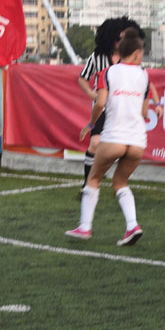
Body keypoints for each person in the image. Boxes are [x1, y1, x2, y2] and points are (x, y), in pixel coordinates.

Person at [66, 29, 153, 245]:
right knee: (121, 182)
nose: (142, 55)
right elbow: (144, 113)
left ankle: (85, 228)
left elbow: (101, 103)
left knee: (94, 179)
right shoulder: (144, 76)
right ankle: (132, 225)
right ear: (135, 53)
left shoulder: (109, 72)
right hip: (137, 140)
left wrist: (91, 124)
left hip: (114, 135)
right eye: (141, 52)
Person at [77, 16, 143, 185]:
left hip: (121, 109)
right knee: (94, 143)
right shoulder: (97, 58)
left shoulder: (130, 59)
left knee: (123, 149)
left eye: (121, 39)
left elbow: (143, 81)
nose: (118, 42)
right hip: (102, 109)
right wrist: (92, 94)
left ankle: (115, 179)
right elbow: (82, 78)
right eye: (116, 39)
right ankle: (88, 183)